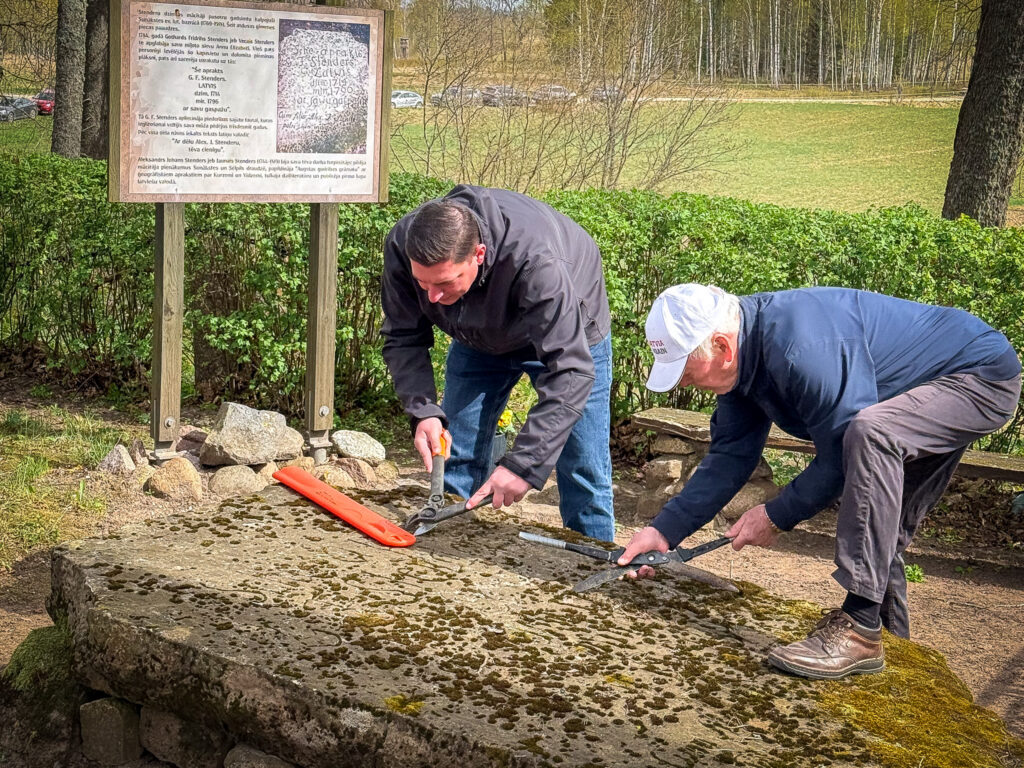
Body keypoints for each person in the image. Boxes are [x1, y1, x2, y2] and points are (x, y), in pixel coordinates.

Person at [619, 283, 1021, 679]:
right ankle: (895, 653)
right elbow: (731, 456)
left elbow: (841, 454)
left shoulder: (801, 348)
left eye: (685, 371)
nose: (683, 383)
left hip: (977, 376)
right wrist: (664, 531)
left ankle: (860, 629)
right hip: (925, 384)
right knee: (885, 527)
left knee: (872, 433)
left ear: (723, 347)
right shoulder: (743, 360)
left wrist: (776, 515)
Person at [380, 185, 615, 542]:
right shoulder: (404, 244)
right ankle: (446, 554)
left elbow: (571, 370)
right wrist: (423, 410)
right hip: (479, 335)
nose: (433, 297)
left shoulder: (538, 264)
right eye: (422, 283)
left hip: (570, 336)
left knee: (583, 467)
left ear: (479, 254)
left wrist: (523, 465)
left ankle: (597, 562)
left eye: (444, 283)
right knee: (456, 451)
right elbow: (403, 335)